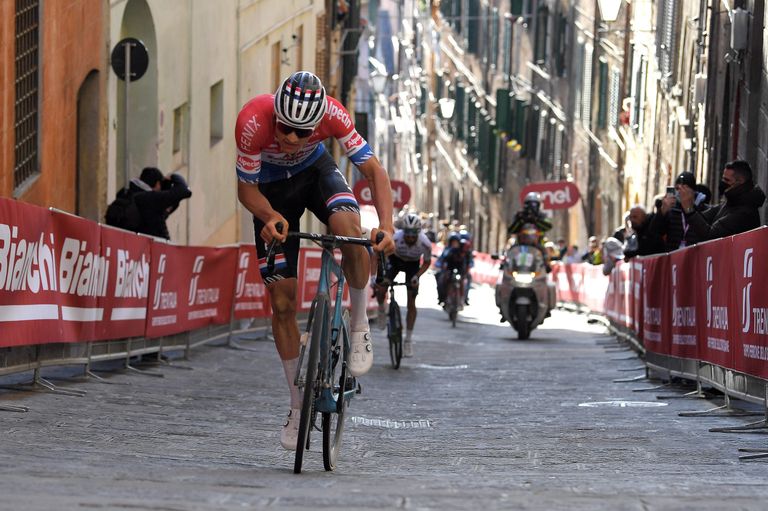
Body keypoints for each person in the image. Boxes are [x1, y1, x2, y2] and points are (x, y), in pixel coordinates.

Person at [234, 71, 395, 451]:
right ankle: (295, 406)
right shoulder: (253, 121)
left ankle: (358, 324)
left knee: (349, 230)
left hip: (316, 175)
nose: (290, 139)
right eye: (285, 128)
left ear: (317, 125)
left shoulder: (334, 115)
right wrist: (268, 216)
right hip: (271, 192)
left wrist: (386, 226)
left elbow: (373, 171)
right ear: (275, 115)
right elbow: (246, 187)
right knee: (283, 302)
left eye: (302, 133)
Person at [374, 213, 432, 357]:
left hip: (413, 265)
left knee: (412, 300)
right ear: (403, 232)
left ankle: (408, 340)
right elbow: (382, 256)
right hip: (394, 261)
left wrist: (417, 277)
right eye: (408, 234)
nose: (410, 238)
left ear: (418, 233)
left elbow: (427, 262)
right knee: (381, 288)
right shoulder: (395, 238)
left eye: (414, 235)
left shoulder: (425, 243)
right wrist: (381, 276)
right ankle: (382, 309)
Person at [683, 160, 766, 241]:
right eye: (723, 179)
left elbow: (710, 235)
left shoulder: (745, 211)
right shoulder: (731, 202)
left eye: (727, 180)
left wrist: (689, 210)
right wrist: (689, 202)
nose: (723, 183)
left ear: (740, 182)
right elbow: (705, 217)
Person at [649, 172, 708, 252]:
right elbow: (653, 234)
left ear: (693, 190)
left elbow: (705, 234)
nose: (680, 191)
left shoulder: (704, 209)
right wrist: (662, 211)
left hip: (694, 257)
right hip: (673, 259)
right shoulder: (671, 210)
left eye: (684, 187)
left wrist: (688, 207)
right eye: (677, 188)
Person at [129, 167, 192, 240]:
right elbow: (184, 191)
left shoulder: (129, 195)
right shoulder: (149, 198)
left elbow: (160, 216)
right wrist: (174, 176)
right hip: (154, 247)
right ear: (157, 184)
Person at [507, 192, 553, 270]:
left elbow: (548, 226)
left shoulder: (541, 216)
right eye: (530, 204)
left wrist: (536, 220)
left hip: (537, 243)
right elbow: (511, 229)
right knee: (510, 251)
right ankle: (506, 266)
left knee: (544, 253)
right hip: (520, 244)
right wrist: (520, 220)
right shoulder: (520, 215)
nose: (532, 207)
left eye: (535, 204)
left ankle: (546, 266)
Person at [435, 233, 470, 305]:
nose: (454, 244)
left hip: (460, 270)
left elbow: (468, 263)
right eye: (453, 242)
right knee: (441, 278)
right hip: (449, 269)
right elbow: (442, 260)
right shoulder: (449, 250)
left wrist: (465, 271)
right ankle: (442, 297)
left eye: (456, 242)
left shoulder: (464, 252)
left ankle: (463, 298)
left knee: (465, 280)